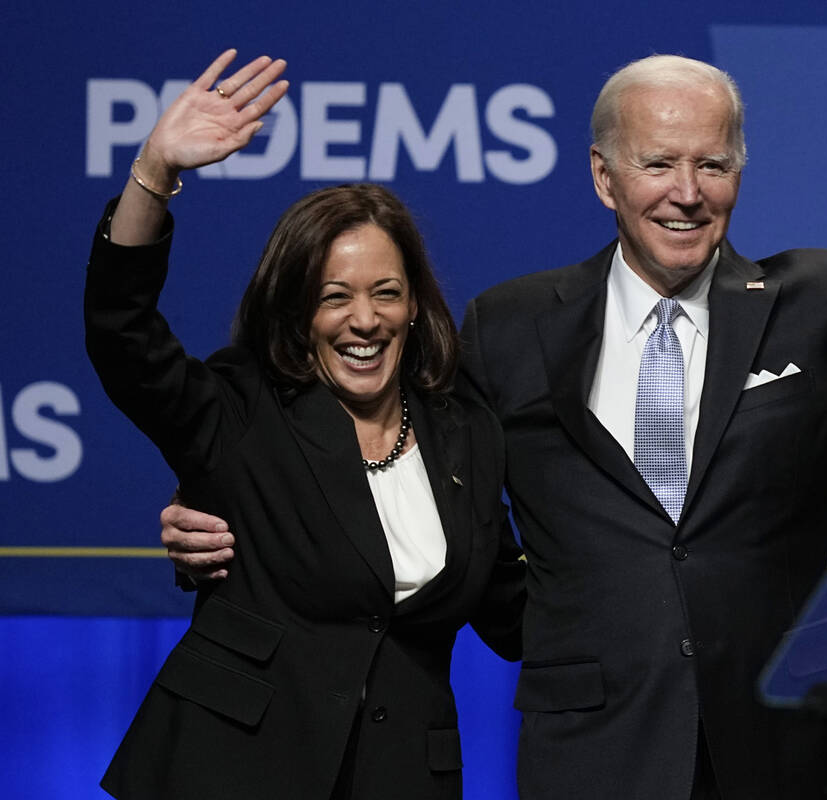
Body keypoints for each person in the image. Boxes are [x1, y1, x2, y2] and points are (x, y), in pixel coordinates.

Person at [162, 54, 827, 799]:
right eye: (657, 162)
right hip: (597, 743)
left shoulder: (817, 300)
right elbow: (372, 434)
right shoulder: (512, 324)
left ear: (740, 172)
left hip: (790, 741)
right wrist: (224, 509)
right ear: (602, 177)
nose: (686, 190)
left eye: (712, 163)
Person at [86, 50, 524, 800]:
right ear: (297, 313)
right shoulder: (242, 410)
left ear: (415, 306)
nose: (365, 320)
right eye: (335, 298)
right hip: (230, 769)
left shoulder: (465, 429)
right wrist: (154, 171)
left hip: (403, 778)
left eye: (387, 293)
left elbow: (512, 612)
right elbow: (122, 332)